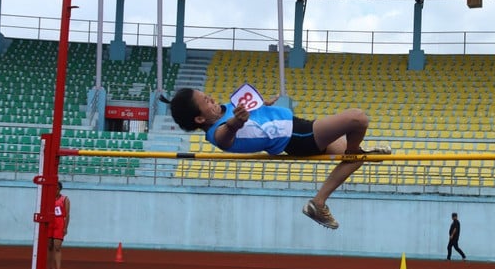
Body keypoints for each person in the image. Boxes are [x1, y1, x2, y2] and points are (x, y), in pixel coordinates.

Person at [160, 88, 390, 230]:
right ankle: (356, 151)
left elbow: (250, 116)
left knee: (356, 159)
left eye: (208, 96)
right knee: (357, 119)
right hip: (295, 136)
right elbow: (227, 133)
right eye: (207, 102)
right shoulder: (218, 132)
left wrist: (263, 105)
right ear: (200, 119)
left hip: (296, 126)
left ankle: (319, 202)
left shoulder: (225, 108)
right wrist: (236, 122)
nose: (212, 100)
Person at [48, 182, 70, 269]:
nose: (55, 190)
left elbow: (67, 214)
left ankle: (58, 268)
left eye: (57, 188)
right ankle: (51, 268)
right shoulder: (48, 199)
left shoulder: (64, 199)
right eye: (54, 188)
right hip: (50, 223)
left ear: (60, 189)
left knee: (57, 247)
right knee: (49, 247)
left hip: (59, 223)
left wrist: (65, 227)